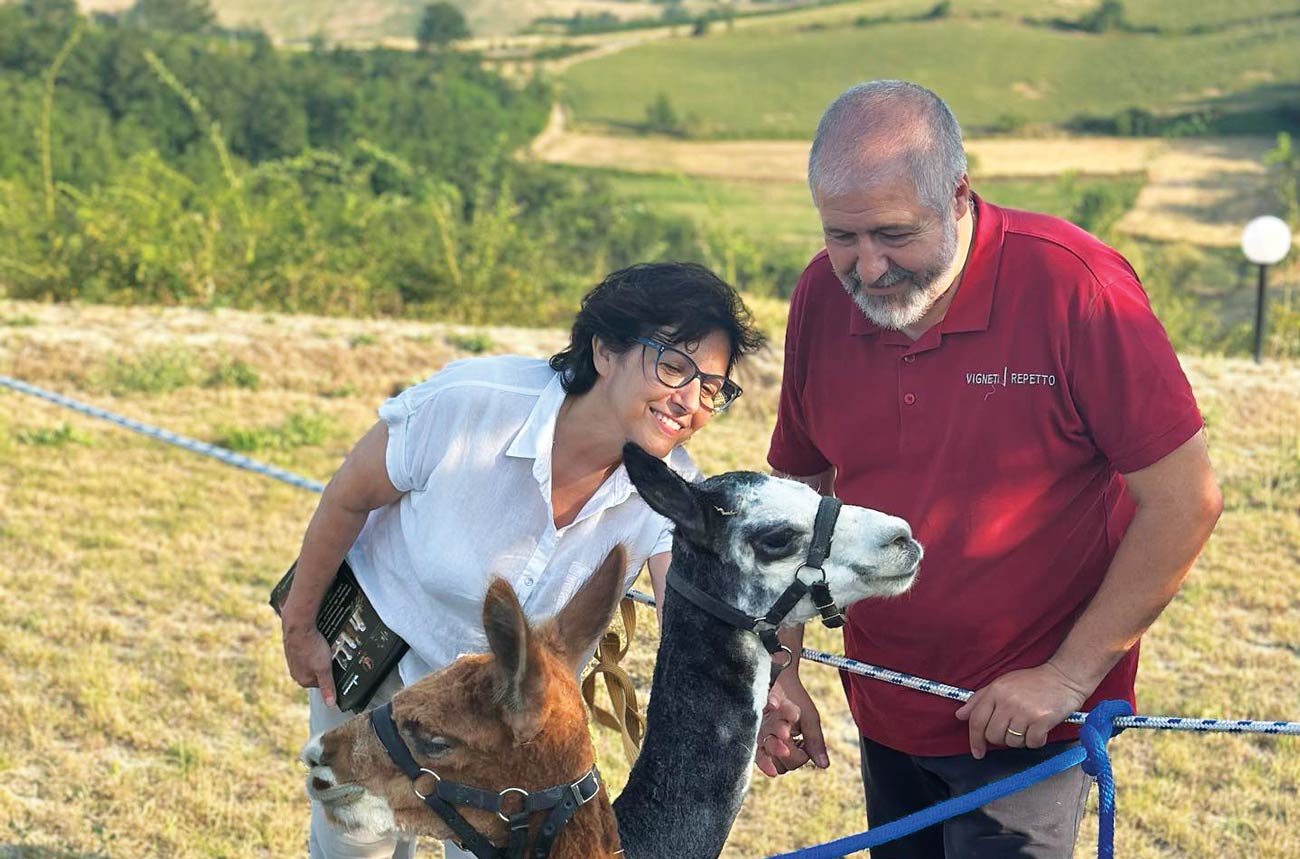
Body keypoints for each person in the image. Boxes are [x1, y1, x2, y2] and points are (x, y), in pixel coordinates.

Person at [758, 80, 1223, 858]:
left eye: (893, 235)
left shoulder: (1078, 287)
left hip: (1030, 722)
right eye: (843, 235)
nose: (867, 268)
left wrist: (1068, 678)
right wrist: (783, 660)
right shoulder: (819, 295)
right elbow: (806, 490)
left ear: (959, 195)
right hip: (887, 699)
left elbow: (1185, 501)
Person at [280, 261, 764, 859]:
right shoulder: (471, 405)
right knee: (356, 845)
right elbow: (348, 498)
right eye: (673, 367)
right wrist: (301, 625)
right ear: (605, 350)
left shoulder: (666, 495)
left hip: (507, 723)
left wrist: (764, 695)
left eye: (712, 389)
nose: (689, 401)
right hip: (382, 665)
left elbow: (687, 622)